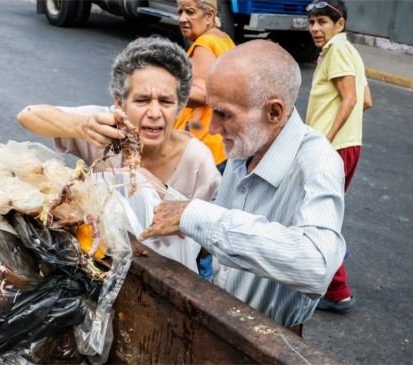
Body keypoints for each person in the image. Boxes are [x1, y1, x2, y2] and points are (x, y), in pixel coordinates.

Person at [141, 39, 347, 334]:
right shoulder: (248, 145)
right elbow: (222, 221)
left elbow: (317, 263)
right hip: (220, 320)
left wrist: (194, 216)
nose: (212, 128)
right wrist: (163, 196)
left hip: (269, 339)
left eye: (224, 114)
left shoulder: (316, 161)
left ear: (274, 113)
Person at [17, 36, 221, 275]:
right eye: (142, 100)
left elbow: (208, 241)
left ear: (180, 106)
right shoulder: (104, 127)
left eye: (166, 101)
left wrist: (163, 193)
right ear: (120, 103)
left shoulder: (198, 161)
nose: (154, 112)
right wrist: (81, 126)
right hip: (98, 266)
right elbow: (28, 115)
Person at [305, 0, 372, 313]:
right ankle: (332, 274)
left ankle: (337, 290)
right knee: (320, 212)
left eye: (323, 22)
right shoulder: (346, 52)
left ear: (339, 24)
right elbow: (366, 100)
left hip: (334, 148)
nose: (316, 29)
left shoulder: (338, 51)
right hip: (346, 146)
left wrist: (325, 139)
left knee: (318, 215)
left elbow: (351, 98)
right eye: (313, 22)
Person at [173, 0, 236, 172]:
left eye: (190, 12)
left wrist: (165, 88)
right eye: (180, 12)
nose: (182, 19)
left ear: (209, 16)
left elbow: (201, 94)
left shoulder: (204, 45)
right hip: (221, 144)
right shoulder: (224, 40)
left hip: (203, 146)